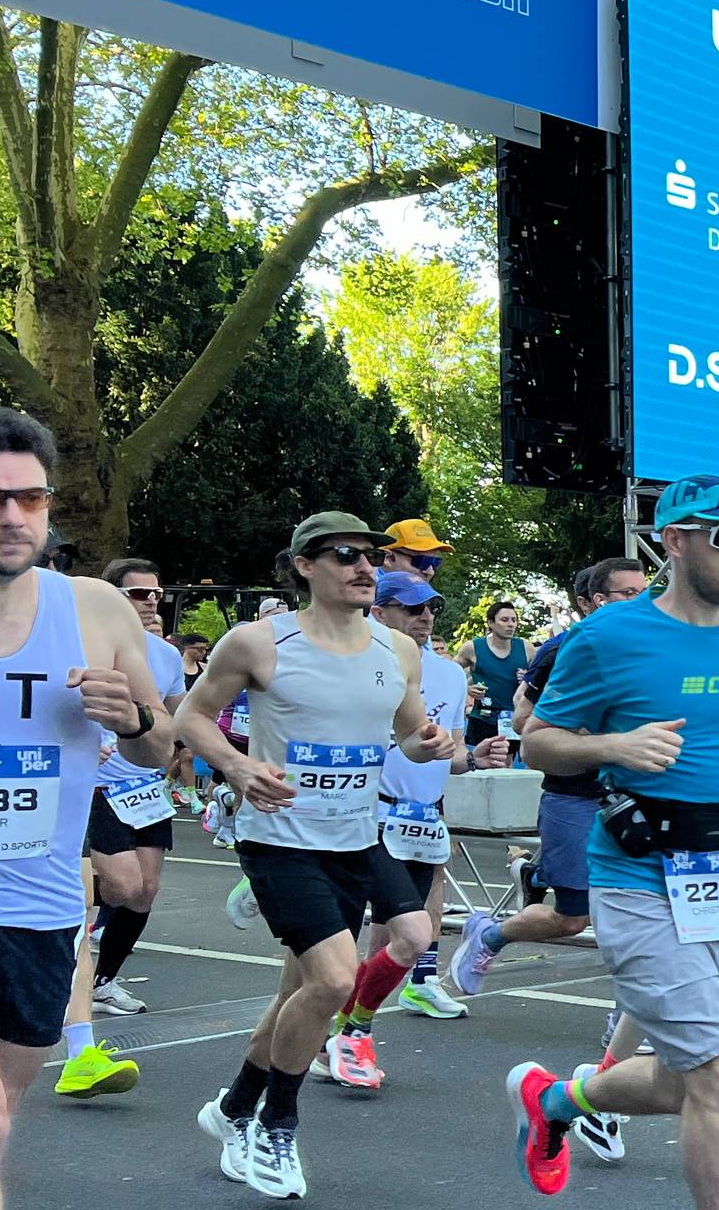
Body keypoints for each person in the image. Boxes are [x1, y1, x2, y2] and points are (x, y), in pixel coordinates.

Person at [498, 477, 719, 1204]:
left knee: (686, 1077)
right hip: (637, 878)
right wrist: (617, 745)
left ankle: (557, 1103)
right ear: (674, 539)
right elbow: (535, 742)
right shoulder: (607, 637)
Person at [180, 511, 456, 1198]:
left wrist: (437, 745)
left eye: (371, 555)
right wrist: (237, 769)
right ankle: (277, 1125)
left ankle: (234, 1106)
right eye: (345, 555)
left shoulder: (396, 651)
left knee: (335, 972)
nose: (365, 568)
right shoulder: (257, 642)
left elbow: (409, 734)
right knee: (332, 981)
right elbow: (189, 717)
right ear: (304, 566)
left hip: (359, 838)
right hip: (281, 839)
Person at [0, 406, 176, 1207]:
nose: (12, 516)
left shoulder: (94, 609)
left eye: (30, 498)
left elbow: (156, 750)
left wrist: (130, 716)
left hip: (40, 906)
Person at [445, 560, 647, 1007]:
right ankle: (491, 934)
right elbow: (523, 720)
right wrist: (604, 741)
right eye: (627, 594)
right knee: (572, 918)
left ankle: (629, 1018)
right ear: (594, 602)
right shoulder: (565, 649)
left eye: (644, 592)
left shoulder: (658, 648)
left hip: (638, 798)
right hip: (575, 795)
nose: (642, 602)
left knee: (638, 913)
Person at [329, 570, 505, 1073]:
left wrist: (476, 758)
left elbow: (448, 754)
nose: (425, 616)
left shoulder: (450, 674)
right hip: (367, 815)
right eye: (412, 608)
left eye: (431, 607)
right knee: (364, 941)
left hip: (424, 822)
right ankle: (342, 1032)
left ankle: (347, 1030)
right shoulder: (354, 665)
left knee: (398, 940)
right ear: (378, 613)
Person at [80, 558, 189, 1024]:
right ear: (112, 598)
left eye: (155, 594)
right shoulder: (86, 643)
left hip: (145, 787)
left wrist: (178, 755)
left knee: (144, 892)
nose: (149, 602)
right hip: (96, 785)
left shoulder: (163, 655)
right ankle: (70, 948)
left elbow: (174, 714)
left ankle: (103, 981)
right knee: (120, 884)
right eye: (137, 594)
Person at [457, 599, 532, 746]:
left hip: (513, 717)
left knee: (508, 763)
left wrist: (527, 678)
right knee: (481, 763)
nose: (511, 624)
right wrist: (467, 689)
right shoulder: (472, 648)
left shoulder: (526, 648)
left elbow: (543, 677)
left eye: (514, 620)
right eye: (504, 620)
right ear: (491, 623)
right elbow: (450, 674)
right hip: (482, 717)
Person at [380, 518, 451, 582]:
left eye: (435, 563)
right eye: (423, 562)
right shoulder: (371, 592)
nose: (430, 572)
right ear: (387, 558)